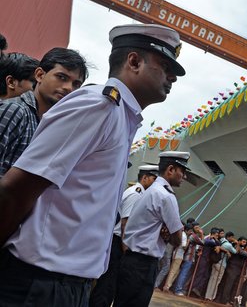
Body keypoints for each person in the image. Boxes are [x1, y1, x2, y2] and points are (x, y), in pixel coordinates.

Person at [0, 23, 186, 306]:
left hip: (66, 285)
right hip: (39, 284)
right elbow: (16, 189)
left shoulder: (122, 117)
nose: (172, 76)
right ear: (134, 61)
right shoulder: (98, 108)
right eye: (165, 65)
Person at [115, 151, 190, 306]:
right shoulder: (166, 196)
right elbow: (177, 238)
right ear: (170, 170)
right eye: (182, 171)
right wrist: (168, 235)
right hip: (143, 265)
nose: (184, 177)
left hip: (130, 260)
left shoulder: (149, 191)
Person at [0, 47, 87, 178]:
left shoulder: (50, 124)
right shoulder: (15, 110)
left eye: (76, 84)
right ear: (40, 75)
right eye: (61, 77)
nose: (68, 88)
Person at [89, 165, 159, 307]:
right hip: (119, 244)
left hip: (120, 243)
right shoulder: (136, 194)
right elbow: (124, 224)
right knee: (107, 285)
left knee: (111, 285)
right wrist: (126, 251)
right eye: (153, 178)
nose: (155, 182)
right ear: (144, 178)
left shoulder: (140, 193)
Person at [173, 222, 204, 296]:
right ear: (193, 228)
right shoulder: (193, 236)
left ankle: (177, 288)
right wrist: (202, 234)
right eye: (197, 227)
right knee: (183, 273)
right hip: (189, 256)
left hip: (188, 256)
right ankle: (178, 290)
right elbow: (203, 242)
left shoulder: (192, 235)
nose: (199, 229)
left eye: (199, 227)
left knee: (183, 273)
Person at [206, 231, 237, 300]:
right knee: (216, 281)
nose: (233, 239)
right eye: (232, 237)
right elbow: (235, 252)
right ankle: (211, 297)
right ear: (230, 237)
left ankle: (207, 296)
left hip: (215, 262)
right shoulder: (228, 245)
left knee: (212, 280)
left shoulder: (221, 240)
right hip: (221, 264)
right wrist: (237, 243)